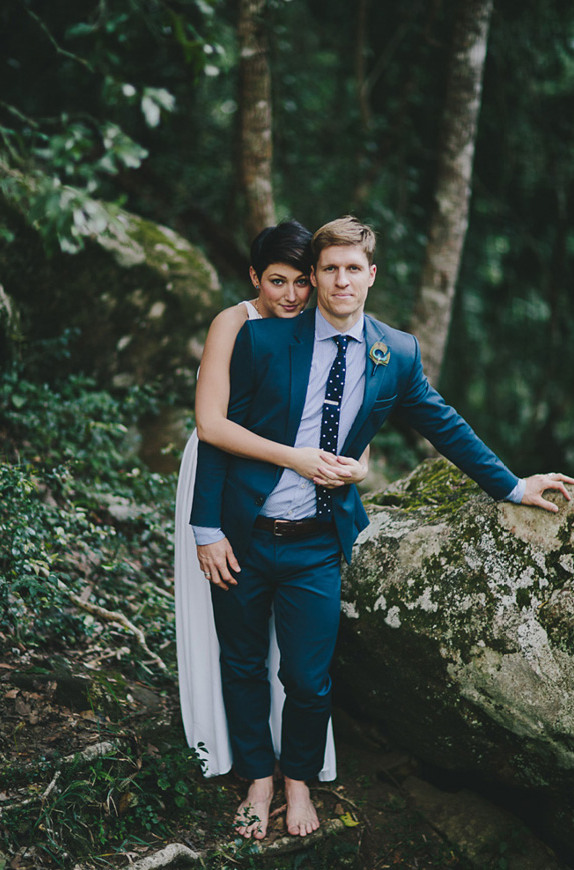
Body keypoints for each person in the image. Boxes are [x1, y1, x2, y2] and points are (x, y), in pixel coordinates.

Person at [190, 216, 574, 840]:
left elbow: (443, 423)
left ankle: (298, 783)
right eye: (329, 269)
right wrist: (206, 525)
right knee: (241, 664)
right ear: (314, 279)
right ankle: (257, 781)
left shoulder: (394, 353)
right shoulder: (264, 341)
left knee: (309, 679)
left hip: (318, 541)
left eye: (353, 268)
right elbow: (218, 440)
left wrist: (511, 485)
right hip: (244, 532)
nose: (341, 280)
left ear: (371, 275)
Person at [175, 221, 367, 784]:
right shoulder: (234, 323)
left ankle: (298, 768)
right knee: (233, 638)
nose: (290, 295)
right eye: (276, 281)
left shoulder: (318, 325)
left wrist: (355, 464)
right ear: (255, 277)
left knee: (301, 661)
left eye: (301, 282)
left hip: (296, 502)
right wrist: (207, 523)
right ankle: (234, 753)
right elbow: (213, 425)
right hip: (223, 474)